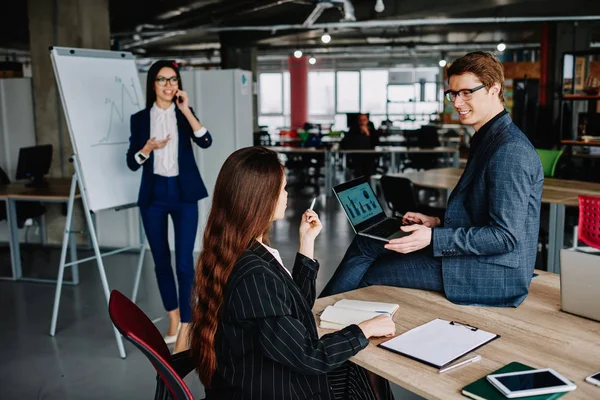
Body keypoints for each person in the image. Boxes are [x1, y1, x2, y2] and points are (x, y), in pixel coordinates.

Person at [321, 52, 544, 307]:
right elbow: (483, 212)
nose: (457, 102)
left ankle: (313, 324)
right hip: (479, 259)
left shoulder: (509, 150)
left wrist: (434, 238)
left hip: (493, 273)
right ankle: (311, 319)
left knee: (372, 272)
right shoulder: (488, 139)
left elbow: (504, 236)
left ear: (494, 89)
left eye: (467, 93)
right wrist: (436, 222)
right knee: (367, 241)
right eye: (453, 93)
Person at [190, 146, 396, 399]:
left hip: (257, 375)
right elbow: (308, 357)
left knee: (357, 365)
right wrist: (363, 329)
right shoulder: (254, 274)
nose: (287, 195)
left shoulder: (236, 249)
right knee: (362, 368)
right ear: (261, 198)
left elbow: (293, 310)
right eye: (283, 188)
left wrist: (306, 243)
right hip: (272, 387)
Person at [126, 60, 212, 353]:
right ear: (153, 84)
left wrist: (187, 109)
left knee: (185, 263)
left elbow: (206, 141)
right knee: (161, 261)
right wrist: (147, 149)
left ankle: (188, 325)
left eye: (173, 79)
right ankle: (174, 321)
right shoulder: (139, 119)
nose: (168, 85)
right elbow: (131, 161)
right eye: (162, 80)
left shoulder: (184, 114)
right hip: (153, 196)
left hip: (183, 193)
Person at [341, 113, 379, 178]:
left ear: (367, 120)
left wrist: (367, 133)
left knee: (367, 174)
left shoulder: (371, 128)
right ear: (358, 121)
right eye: (360, 120)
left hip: (369, 155)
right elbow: (346, 142)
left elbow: (376, 142)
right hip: (357, 155)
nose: (362, 122)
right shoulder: (354, 128)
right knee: (359, 175)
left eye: (364, 120)